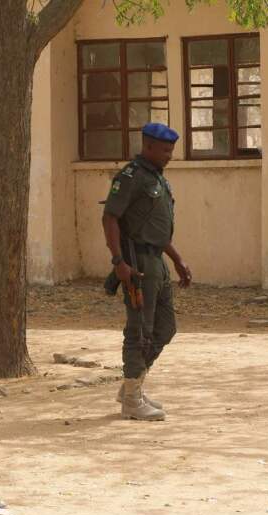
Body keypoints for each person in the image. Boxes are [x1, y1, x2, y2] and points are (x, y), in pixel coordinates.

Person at [101, 123, 193, 421]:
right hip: (138, 263)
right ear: (149, 146)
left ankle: (133, 384)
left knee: (165, 328)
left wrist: (177, 260)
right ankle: (131, 399)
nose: (169, 156)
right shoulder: (131, 177)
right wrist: (119, 262)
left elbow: (155, 227)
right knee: (140, 329)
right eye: (165, 150)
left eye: (171, 151)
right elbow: (110, 218)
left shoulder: (157, 179)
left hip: (158, 262)